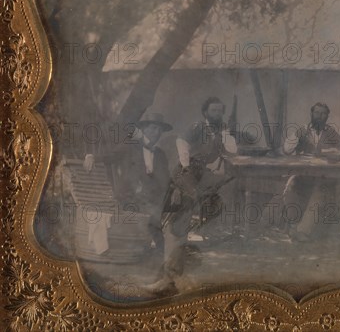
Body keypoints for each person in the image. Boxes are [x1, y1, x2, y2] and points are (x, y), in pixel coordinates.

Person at [147, 97, 237, 294]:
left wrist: (226, 134)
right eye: (213, 110)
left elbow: (232, 150)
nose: (217, 114)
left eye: (220, 111)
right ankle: (168, 275)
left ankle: (174, 273)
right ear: (205, 112)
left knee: (196, 216)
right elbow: (181, 141)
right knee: (177, 222)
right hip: (187, 174)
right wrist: (186, 165)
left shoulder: (221, 131)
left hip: (204, 175)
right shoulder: (198, 127)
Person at [83, 112, 173, 260]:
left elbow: (166, 179)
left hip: (153, 198)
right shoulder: (130, 146)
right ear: (144, 129)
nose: (156, 132)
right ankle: (149, 251)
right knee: (145, 220)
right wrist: (93, 157)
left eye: (159, 130)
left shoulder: (161, 154)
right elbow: (111, 156)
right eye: (153, 128)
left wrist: (170, 192)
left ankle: (158, 253)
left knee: (156, 215)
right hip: (130, 195)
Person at [281, 102, 340, 241]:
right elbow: (286, 149)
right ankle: (294, 225)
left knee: (319, 192)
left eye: (323, 114)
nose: (319, 116)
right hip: (303, 175)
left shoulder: (331, 132)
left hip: (324, 176)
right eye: (317, 113)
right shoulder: (302, 130)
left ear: (327, 116)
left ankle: (303, 231)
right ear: (311, 114)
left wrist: (330, 153)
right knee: (289, 189)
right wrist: (297, 135)